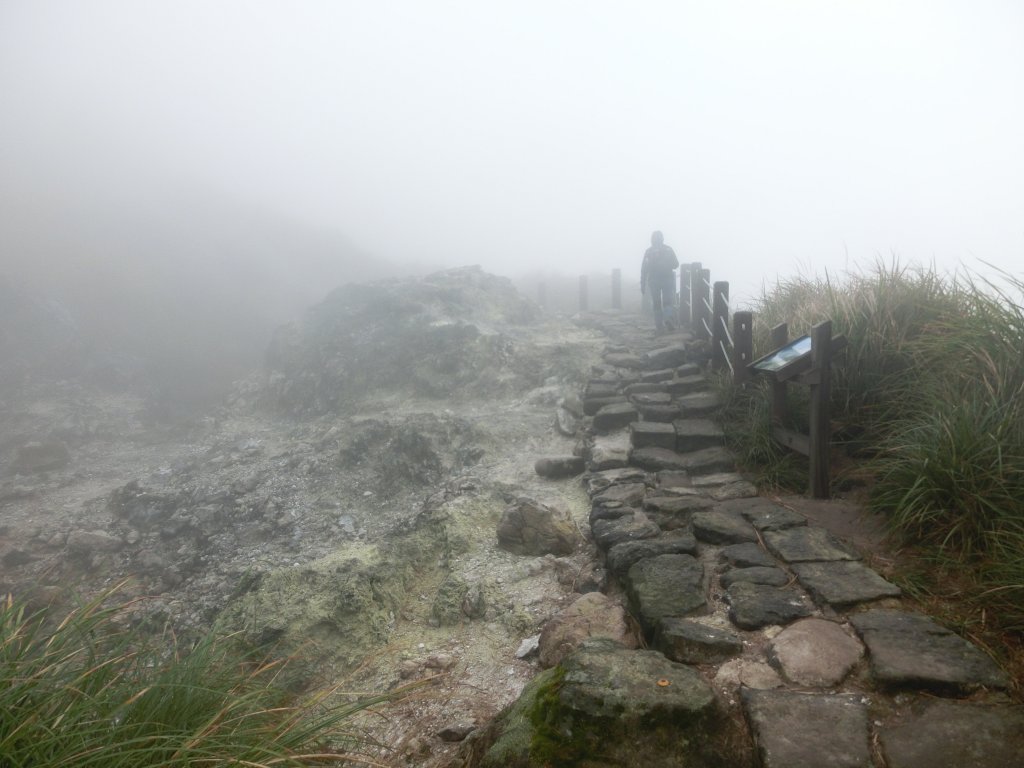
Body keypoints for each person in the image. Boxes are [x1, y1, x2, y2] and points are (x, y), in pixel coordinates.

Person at [640, 230, 679, 334]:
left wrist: (642, 284)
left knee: (656, 303)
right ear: (662, 238)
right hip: (667, 279)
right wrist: (667, 265)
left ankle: (659, 325)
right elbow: (676, 264)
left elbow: (644, 269)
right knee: (667, 302)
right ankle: (668, 319)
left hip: (654, 281)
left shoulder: (649, 252)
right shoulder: (668, 249)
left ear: (652, 239)